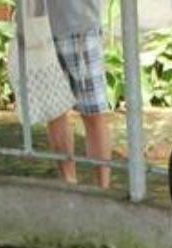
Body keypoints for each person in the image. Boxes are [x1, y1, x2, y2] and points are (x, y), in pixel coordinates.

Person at [5, 0, 77, 183]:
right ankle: (68, 178)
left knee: (58, 112)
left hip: (68, 28)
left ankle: (70, 178)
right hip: (40, 31)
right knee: (54, 111)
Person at [47, 0, 112, 188]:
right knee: (54, 112)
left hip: (82, 26)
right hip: (40, 27)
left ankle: (103, 189)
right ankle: (68, 185)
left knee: (94, 112)